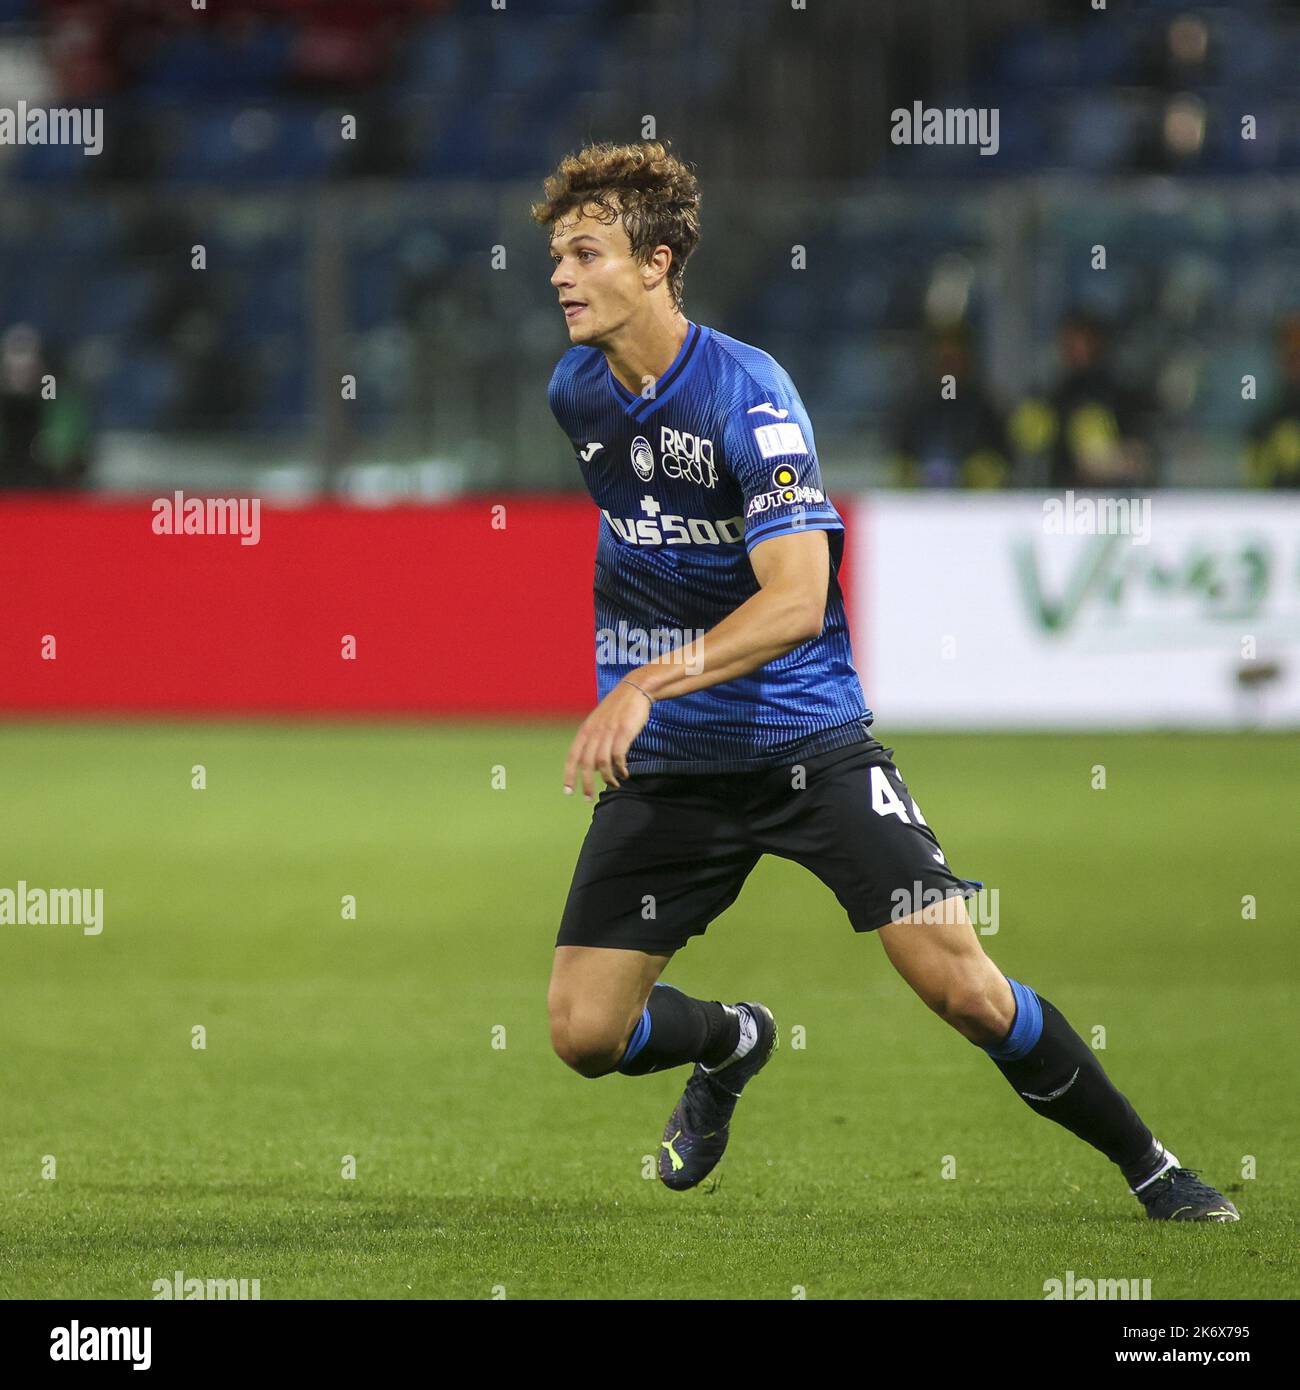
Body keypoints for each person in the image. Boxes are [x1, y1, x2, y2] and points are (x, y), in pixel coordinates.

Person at [536, 140, 1237, 1221]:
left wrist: (643, 683)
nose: (561, 276)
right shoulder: (576, 389)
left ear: (658, 262)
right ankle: (732, 1038)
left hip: (807, 748)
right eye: (556, 254)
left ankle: (1152, 1167)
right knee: (583, 1034)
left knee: (961, 985)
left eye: (585, 252)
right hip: (675, 769)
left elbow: (795, 594)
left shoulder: (750, 396)